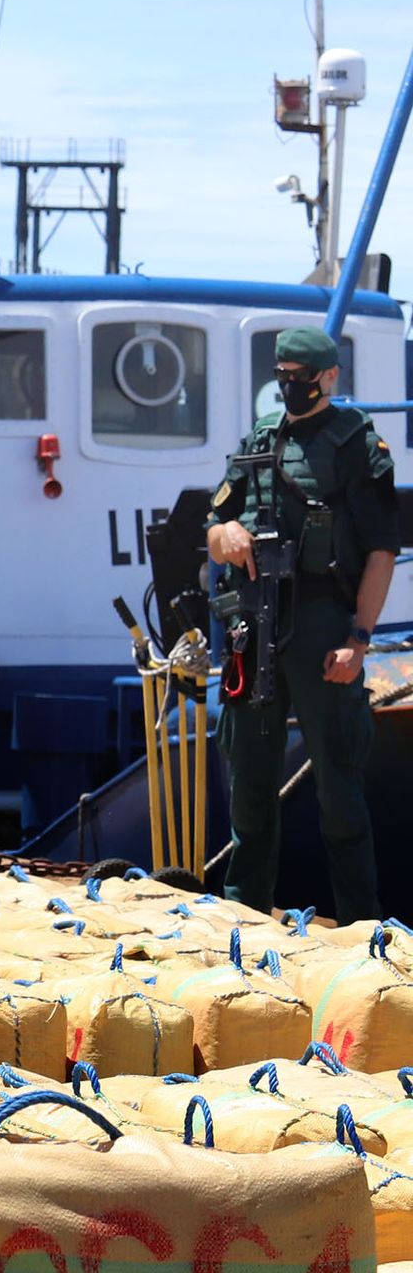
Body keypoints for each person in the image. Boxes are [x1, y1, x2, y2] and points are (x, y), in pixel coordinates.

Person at [206, 325, 398, 923]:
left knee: (339, 788)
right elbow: (212, 531)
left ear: (330, 378)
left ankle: (365, 928)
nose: (290, 387)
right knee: (251, 786)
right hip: (256, 624)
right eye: (282, 377)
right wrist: (226, 535)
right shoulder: (262, 438)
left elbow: (381, 551)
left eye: (301, 378)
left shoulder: (356, 445)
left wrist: (357, 641)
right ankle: (244, 915)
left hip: (321, 623)